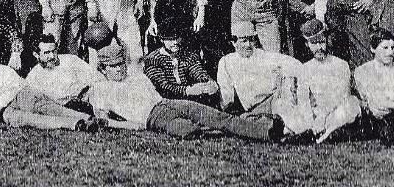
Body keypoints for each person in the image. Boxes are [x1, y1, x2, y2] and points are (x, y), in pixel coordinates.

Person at [90, 39, 282, 141]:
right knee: (189, 131)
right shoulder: (101, 89)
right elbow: (102, 120)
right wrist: (131, 126)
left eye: (120, 64)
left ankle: (266, 132)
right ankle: (250, 122)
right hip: (153, 118)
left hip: (168, 104)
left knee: (218, 118)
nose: (119, 69)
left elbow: (156, 96)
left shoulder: (136, 76)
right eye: (113, 66)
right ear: (103, 69)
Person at [0, 43, 103, 131]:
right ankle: (77, 124)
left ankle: (88, 118)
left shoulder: (0, 69)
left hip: (20, 97)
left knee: (47, 108)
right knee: (27, 119)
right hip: (5, 113)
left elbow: (17, 85)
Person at [216, 26, 310, 137]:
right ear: (234, 42)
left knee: (285, 83)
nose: (248, 45)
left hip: (272, 101)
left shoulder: (262, 56)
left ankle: (294, 128)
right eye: (244, 40)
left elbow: (295, 65)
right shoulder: (226, 61)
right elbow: (226, 96)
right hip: (253, 110)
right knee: (248, 120)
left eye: (251, 40)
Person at [298, 19, 361, 143]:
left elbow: (343, 97)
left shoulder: (341, 64)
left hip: (335, 111)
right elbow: (303, 100)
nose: (319, 48)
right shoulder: (305, 68)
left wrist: (323, 116)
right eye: (314, 44)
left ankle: (324, 134)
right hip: (316, 114)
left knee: (352, 105)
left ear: (327, 40)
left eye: (321, 42)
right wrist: (313, 119)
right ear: (307, 45)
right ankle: (319, 132)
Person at [143, 21, 219, 107]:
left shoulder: (188, 55)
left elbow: (198, 71)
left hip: (188, 103)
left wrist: (208, 82)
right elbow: (163, 88)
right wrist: (188, 90)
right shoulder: (153, 59)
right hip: (164, 105)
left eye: (177, 38)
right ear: (162, 40)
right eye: (170, 39)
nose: (175, 42)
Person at [25, 34, 104, 112]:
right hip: (63, 112)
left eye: (54, 51)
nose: (52, 56)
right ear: (36, 54)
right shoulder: (33, 77)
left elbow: (97, 77)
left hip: (88, 101)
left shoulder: (70, 60)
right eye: (47, 53)